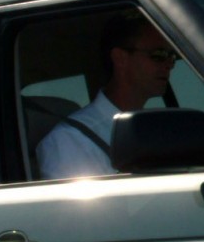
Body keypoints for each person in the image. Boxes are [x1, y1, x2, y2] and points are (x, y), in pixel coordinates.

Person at [35, 13, 183, 178]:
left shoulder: (156, 131)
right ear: (120, 58)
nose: (170, 65)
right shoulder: (70, 140)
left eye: (172, 56)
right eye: (159, 55)